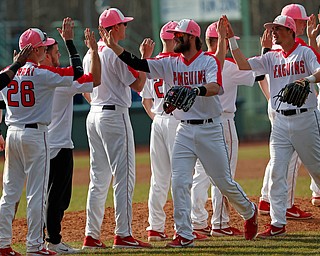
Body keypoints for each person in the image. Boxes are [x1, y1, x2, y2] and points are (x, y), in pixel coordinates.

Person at [99, 16, 258, 247]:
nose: (175, 39)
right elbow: (139, 64)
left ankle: (249, 210)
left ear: (192, 38)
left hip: (210, 129)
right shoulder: (170, 63)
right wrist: (114, 47)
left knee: (223, 181)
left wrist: (195, 89)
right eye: (174, 35)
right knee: (180, 181)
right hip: (183, 129)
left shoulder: (208, 62)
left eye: (179, 36)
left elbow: (215, 87)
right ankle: (184, 233)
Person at [227, 14, 320, 238]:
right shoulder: (272, 56)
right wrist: (231, 40)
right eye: (273, 29)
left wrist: (307, 80)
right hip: (280, 122)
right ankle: (278, 223)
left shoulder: (305, 51)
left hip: (305, 118)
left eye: (278, 29)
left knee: (317, 170)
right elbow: (242, 64)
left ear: (290, 31)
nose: (274, 33)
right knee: (278, 172)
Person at [0, 17, 85, 256]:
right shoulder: (42, 74)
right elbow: (78, 73)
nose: (45, 49)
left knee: (9, 194)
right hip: (36, 135)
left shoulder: (7, 73)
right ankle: (35, 246)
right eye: (43, 46)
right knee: (36, 194)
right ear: (36, 50)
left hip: (12, 134)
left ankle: (3, 244)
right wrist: (69, 42)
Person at [82, 7, 152, 249]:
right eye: (122, 24)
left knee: (98, 179)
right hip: (114, 116)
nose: (125, 27)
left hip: (94, 115)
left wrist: (99, 106)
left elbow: (85, 89)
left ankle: (91, 236)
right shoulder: (115, 54)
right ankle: (123, 234)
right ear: (113, 29)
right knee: (123, 177)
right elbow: (140, 85)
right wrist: (144, 58)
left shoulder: (89, 54)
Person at [191, 21, 257, 237]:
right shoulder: (228, 65)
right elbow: (252, 75)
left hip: (202, 123)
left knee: (201, 174)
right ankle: (220, 223)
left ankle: (197, 220)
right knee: (224, 174)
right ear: (222, 42)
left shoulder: (198, 64)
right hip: (224, 122)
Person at [43, 29, 101, 254]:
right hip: (59, 145)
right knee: (57, 197)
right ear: (46, 55)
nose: (58, 55)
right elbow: (94, 80)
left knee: (39, 195)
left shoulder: (34, 74)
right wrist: (92, 51)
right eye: (55, 52)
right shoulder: (60, 79)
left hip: (39, 144)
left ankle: (37, 239)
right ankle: (54, 241)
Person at [258, 3, 316, 217]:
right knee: (290, 158)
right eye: (301, 21)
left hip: (279, 104)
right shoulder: (283, 48)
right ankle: (286, 204)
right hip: (284, 107)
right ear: (292, 24)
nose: (304, 24)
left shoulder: (278, 46)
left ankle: (266, 199)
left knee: (278, 158)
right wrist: (273, 101)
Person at [141, 21, 180, 242]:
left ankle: (155, 227)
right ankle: (182, 226)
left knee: (159, 178)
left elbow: (146, 102)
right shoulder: (180, 63)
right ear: (175, 39)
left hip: (158, 121)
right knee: (180, 176)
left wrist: (159, 120)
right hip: (176, 121)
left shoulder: (151, 64)